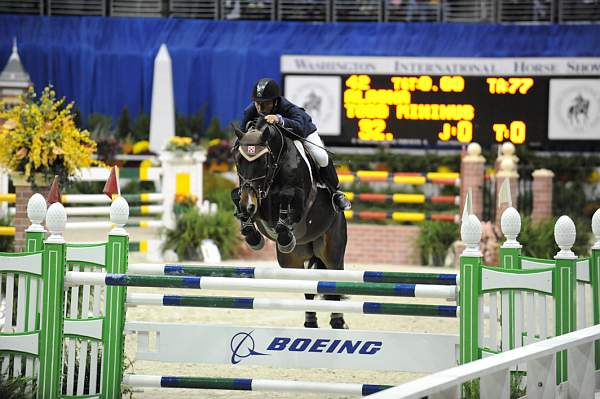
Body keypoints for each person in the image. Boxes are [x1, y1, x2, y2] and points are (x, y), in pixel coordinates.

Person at [236, 77, 351, 213]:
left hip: (300, 133)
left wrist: (279, 119)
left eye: (265, 103)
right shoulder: (249, 111)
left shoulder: (287, 107)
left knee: (321, 156)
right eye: (257, 103)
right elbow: (243, 137)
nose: (260, 108)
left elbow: (299, 128)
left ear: (275, 101)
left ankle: (335, 192)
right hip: (277, 141)